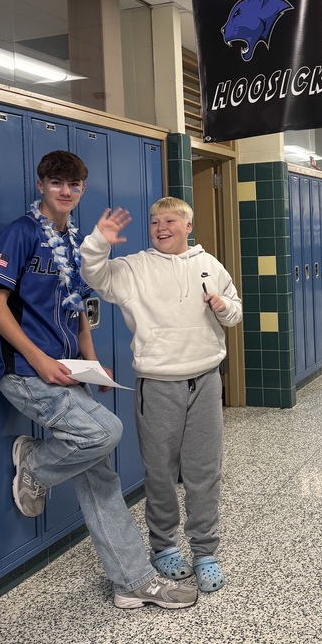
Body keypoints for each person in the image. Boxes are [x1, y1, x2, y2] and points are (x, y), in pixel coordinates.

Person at [0, 151, 197, 611]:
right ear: (40, 184)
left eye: (74, 185)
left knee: (101, 478)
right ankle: (35, 464)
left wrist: (93, 362)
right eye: (56, 182)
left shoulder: (75, 243)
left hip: (69, 372)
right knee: (106, 432)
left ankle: (131, 581)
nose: (65, 191)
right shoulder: (20, 235)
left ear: (80, 191)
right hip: (27, 373)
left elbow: (79, 310)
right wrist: (39, 362)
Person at [79, 197, 243, 593]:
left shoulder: (210, 265)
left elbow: (236, 313)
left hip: (205, 380)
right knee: (161, 473)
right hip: (157, 384)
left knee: (205, 471)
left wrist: (223, 307)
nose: (161, 227)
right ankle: (164, 547)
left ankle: (205, 551)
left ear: (188, 226)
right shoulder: (134, 267)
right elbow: (94, 276)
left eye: (169, 220)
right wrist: (99, 241)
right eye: (154, 222)